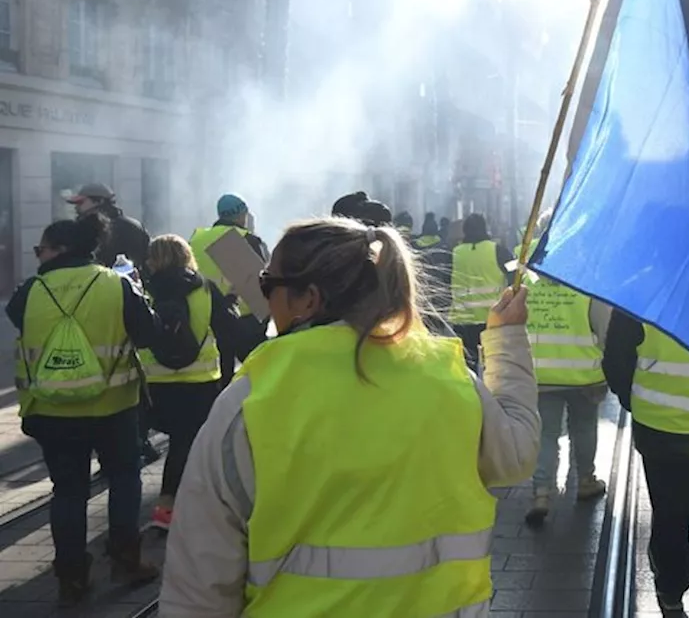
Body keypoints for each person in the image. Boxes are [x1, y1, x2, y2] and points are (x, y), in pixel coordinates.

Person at [159, 218, 540, 616]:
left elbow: (198, 586)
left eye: (268, 284)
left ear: (308, 298)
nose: (263, 298)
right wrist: (507, 337)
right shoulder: (449, 376)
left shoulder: (252, 400)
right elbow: (517, 454)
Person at [4, 215, 160, 605]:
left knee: (68, 492)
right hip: (114, 407)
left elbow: (18, 321)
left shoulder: (30, 291)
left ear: (59, 250)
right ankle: (126, 559)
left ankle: (71, 578)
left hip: (52, 410)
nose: (38, 257)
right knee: (124, 479)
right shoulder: (116, 284)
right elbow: (149, 334)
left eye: (41, 250)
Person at [601, 310, 689, 617]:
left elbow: (615, 360)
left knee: (669, 518)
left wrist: (636, 401)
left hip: (659, 431)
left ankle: (670, 595)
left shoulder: (642, 287)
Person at [137, 235, 245, 530]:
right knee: (189, 444)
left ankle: (160, 509)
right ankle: (173, 507)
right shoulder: (205, 289)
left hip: (155, 383)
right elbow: (230, 330)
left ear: (154, 259)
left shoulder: (142, 291)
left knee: (155, 445)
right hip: (199, 383)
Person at [524, 228, 608, 524]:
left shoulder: (526, 271)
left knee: (545, 433)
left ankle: (541, 493)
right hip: (584, 373)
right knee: (583, 428)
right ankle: (586, 480)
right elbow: (603, 325)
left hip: (540, 372)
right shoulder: (588, 273)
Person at [189, 194, 270, 384]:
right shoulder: (246, 239)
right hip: (243, 322)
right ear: (242, 214)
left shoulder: (197, 238)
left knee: (221, 379)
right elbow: (263, 287)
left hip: (207, 321)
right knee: (259, 376)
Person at [449, 213, 515, 367]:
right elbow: (514, 274)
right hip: (492, 318)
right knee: (492, 365)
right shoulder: (498, 250)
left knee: (468, 367)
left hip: (462, 320)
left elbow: (446, 280)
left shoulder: (456, 252)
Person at [67, 183, 150, 276]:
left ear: (99, 201)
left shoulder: (88, 230)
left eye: (81, 202)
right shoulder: (136, 226)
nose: (76, 207)